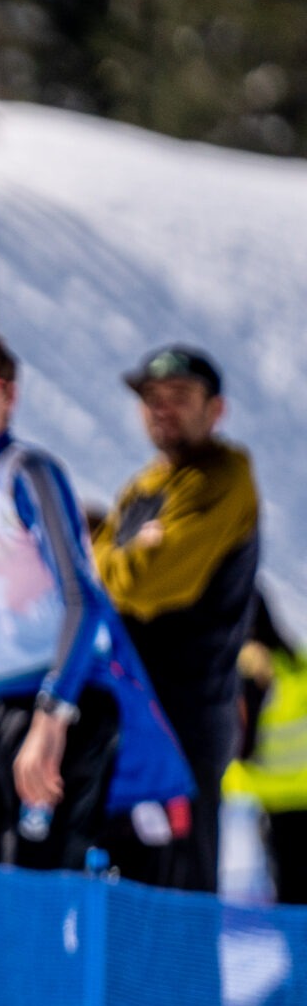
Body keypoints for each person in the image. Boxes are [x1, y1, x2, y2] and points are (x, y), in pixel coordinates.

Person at [0, 322, 194, 872]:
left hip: (70, 700)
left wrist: (53, 719)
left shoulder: (28, 474)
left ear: (9, 394)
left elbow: (84, 599)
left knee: (36, 881)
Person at [92, 345, 260, 891]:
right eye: (152, 398)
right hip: (129, 718)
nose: (163, 408)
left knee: (178, 903)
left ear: (216, 409)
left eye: (180, 397)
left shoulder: (223, 478)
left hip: (184, 723)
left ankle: (183, 983)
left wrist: (115, 562)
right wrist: (121, 557)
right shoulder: (145, 487)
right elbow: (88, 573)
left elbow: (143, 585)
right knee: (126, 890)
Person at [229, 599, 307, 904]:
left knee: (291, 896)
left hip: (274, 801)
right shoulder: (296, 666)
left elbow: (241, 747)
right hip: (290, 799)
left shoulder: (250, 672)